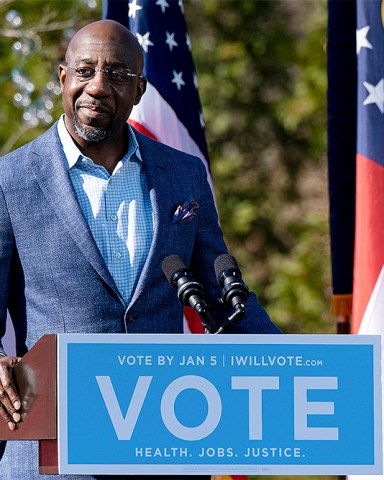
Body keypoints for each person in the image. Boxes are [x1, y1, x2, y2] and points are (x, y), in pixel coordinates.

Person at [0, 20, 281, 479]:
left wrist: (291, 365)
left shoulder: (183, 176)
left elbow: (227, 297)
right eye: (85, 70)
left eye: (116, 74)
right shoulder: (10, 179)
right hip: (53, 450)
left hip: (164, 447)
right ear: (62, 78)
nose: (98, 87)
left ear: (140, 89)